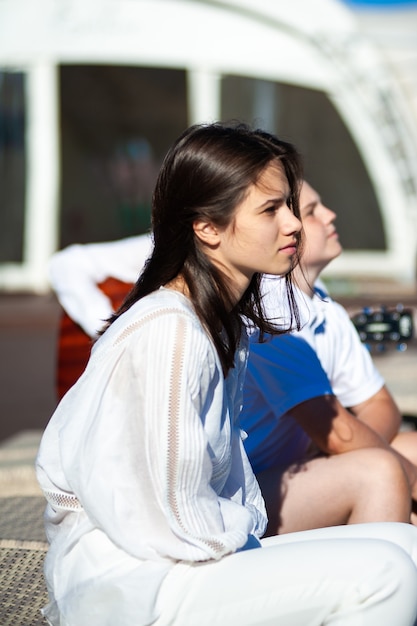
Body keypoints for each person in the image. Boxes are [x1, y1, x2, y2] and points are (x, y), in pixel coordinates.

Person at [36, 122, 417, 626]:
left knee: (404, 544)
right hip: (137, 583)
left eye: (289, 205)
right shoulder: (171, 331)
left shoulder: (226, 323)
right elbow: (168, 518)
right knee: (384, 572)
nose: (294, 225)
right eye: (270, 210)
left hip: (188, 554)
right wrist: (265, 547)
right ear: (207, 227)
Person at [241, 180, 417, 535]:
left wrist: (339, 451)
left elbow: (381, 406)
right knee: (381, 472)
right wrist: (409, 481)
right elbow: (337, 433)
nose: (330, 215)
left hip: (304, 463)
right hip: (250, 489)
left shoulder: (323, 306)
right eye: (311, 212)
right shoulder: (266, 314)